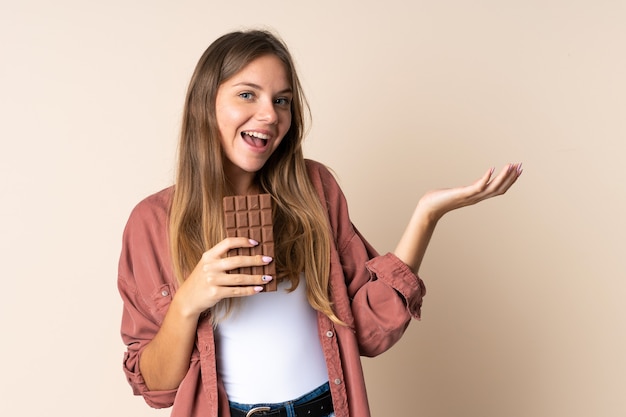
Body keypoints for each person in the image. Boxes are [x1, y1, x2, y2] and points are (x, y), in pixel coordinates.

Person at [117, 29, 522, 417]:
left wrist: (426, 216)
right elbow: (157, 387)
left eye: (282, 100)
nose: (269, 115)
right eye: (247, 95)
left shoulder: (313, 189)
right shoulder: (153, 223)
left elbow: (364, 329)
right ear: (205, 103)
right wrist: (188, 302)